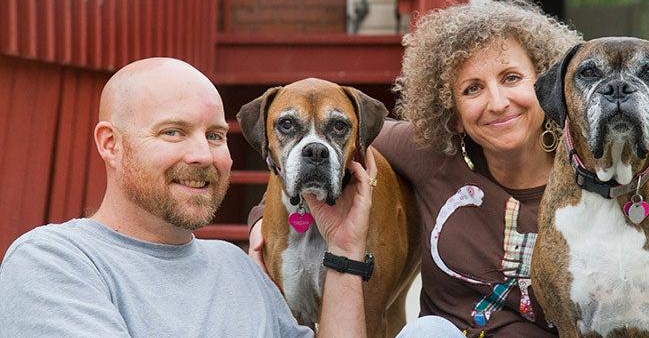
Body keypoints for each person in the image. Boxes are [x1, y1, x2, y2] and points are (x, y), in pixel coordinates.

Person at [248, 0, 649, 337]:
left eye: (512, 78)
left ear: (549, 88)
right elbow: (309, 145)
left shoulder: (599, 176)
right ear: (449, 108)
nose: (496, 102)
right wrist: (260, 224)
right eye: (471, 89)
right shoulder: (430, 153)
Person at [0, 57, 377, 338]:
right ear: (110, 145)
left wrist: (344, 250)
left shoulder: (239, 267)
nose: (202, 155)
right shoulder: (54, 261)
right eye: (173, 132)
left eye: (215, 136)